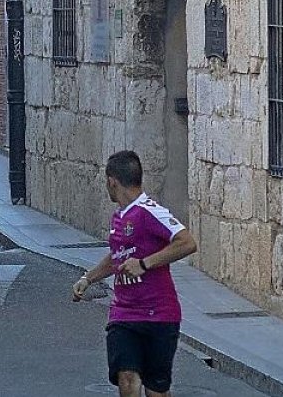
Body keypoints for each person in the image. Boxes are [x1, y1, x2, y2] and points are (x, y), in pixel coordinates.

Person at [72, 151, 198, 397]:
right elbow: (117, 257)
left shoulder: (150, 211)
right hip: (124, 313)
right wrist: (88, 278)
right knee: (127, 379)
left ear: (112, 181)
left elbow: (187, 243)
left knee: (156, 392)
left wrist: (145, 263)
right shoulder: (118, 216)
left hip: (160, 314)